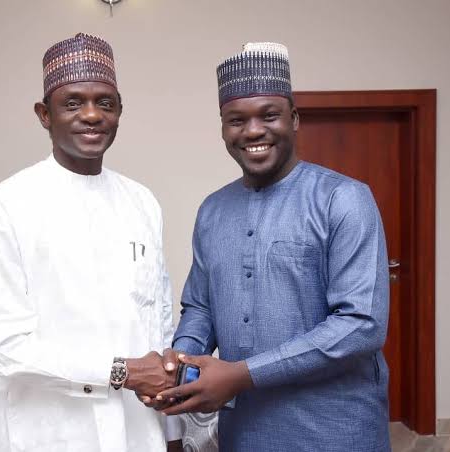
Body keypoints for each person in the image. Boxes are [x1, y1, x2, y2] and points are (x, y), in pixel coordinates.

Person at [156, 42, 391, 451]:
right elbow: (201, 308)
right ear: (223, 128)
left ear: (294, 119)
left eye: (269, 115)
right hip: (245, 432)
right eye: (236, 120)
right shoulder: (213, 210)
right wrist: (179, 366)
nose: (252, 131)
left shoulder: (343, 199)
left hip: (334, 432)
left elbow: (361, 325)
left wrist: (240, 375)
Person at [0, 33, 181, 452]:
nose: (92, 115)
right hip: (46, 435)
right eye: (73, 103)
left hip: (138, 434)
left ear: (119, 111)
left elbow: (158, 324)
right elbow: (3, 349)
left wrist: (172, 434)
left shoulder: (141, 202)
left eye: (105, 103)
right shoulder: (1, 207)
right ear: (44, 114)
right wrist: (121, 372)